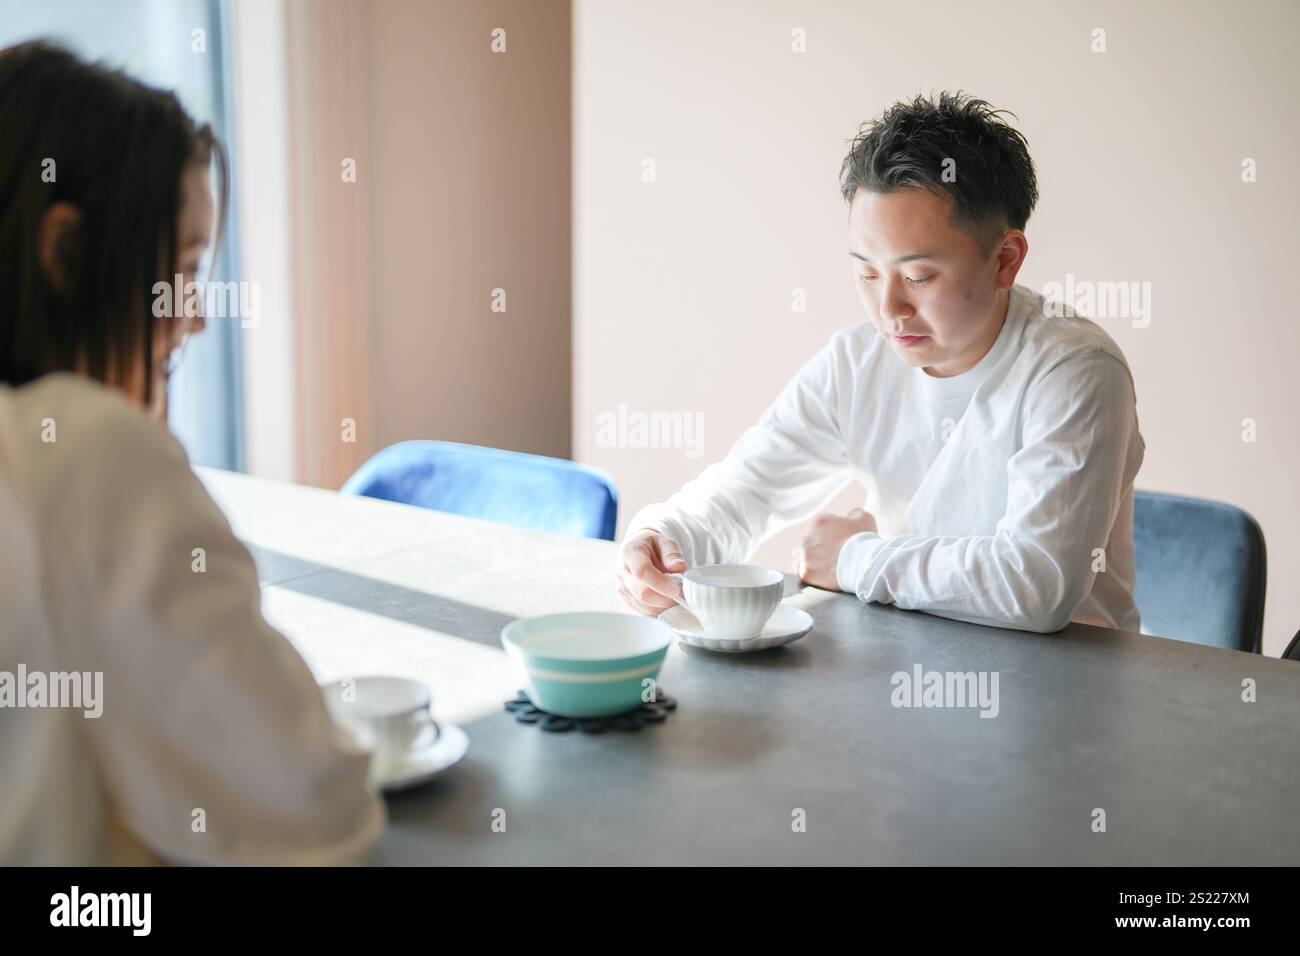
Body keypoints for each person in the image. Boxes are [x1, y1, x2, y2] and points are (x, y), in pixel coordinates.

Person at [0, 41, 383, 864]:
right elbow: (313, 797)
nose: (197, 318)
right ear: (65, 256)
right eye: (179, 272)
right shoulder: (78, 453)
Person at [616, 92, 1145, 635]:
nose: (889, 309)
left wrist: (852, 560)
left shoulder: (1076, 371)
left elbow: (1036, 585)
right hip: (903, 669)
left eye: (918, 276)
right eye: (867, 273)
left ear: (1004, 260)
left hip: (1069, 693)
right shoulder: (858, 362)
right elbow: (746, 491)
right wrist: (663, 536)